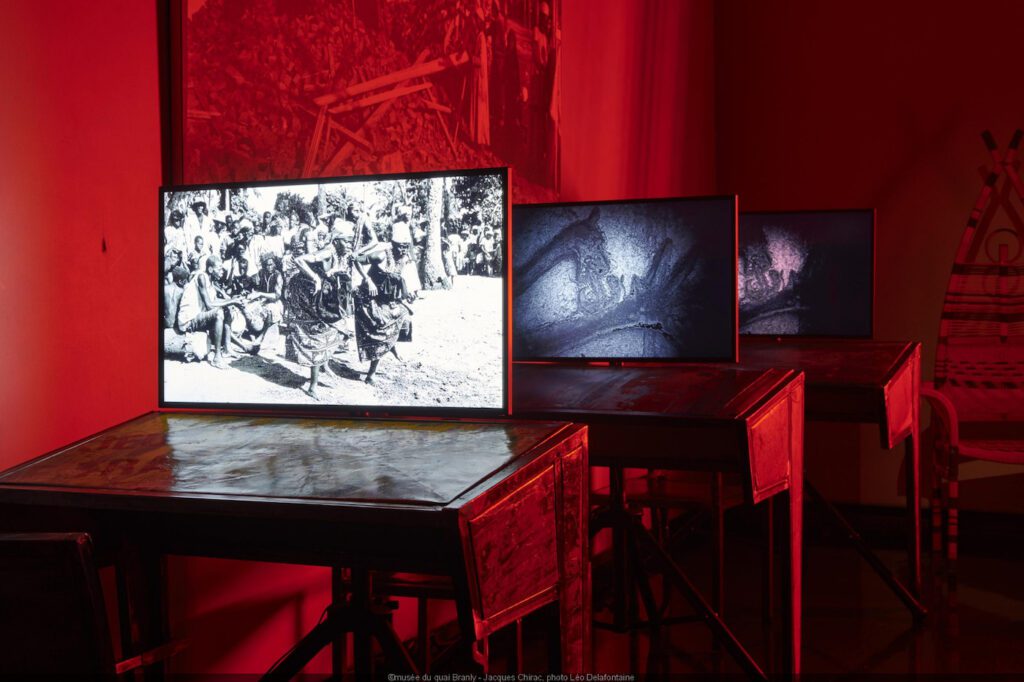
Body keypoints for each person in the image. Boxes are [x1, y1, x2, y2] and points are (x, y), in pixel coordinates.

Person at [285, 227, 346, 399]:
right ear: (336, 241)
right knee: (318, 336)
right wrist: (316, 278)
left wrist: (330, 274)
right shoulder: (326, 252)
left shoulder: (333, 252)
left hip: (315, 295)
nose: (348, 244)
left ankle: (323, 365)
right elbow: (299, 260)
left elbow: (327, 271)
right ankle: (313, 385)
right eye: (345, 240)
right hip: (307, 295)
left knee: (333, 329)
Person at [352, 239, 411, 385]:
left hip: (387, 299)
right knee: (380, 332)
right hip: (369, 299)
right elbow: (356, 259)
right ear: (394, 245)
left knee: (405, 319)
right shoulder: (381, 256)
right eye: (401, 247)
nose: (403, 250)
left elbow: (399, 278)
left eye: (406, 247)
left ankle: (391, 346)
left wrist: (407, 293)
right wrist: (368, 279)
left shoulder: (404, 258)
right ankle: (371, 375)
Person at [176, 255, 242, 369]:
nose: (222, 271)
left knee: (227, 308)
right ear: (211, 269)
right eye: (219, 268)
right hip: (189, 319)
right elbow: (209, 305)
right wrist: (232, 301)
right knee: (218, 313)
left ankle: (227, 349)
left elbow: (214, 300)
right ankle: (217, 357)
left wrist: (232, 301)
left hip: (198, 316)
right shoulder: (202, 277)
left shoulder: (210, 280)